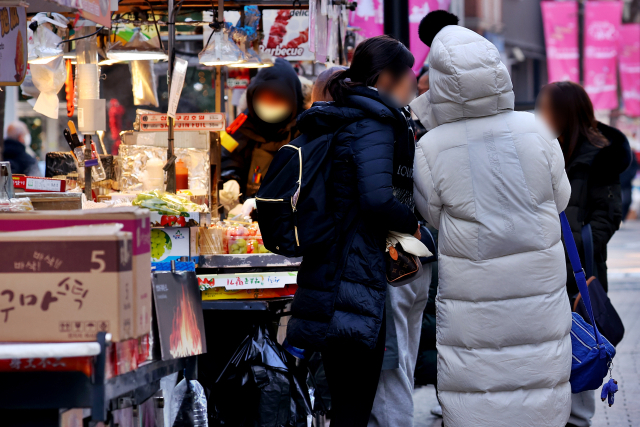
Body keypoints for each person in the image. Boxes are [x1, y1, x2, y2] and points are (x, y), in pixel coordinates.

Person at [411, 10, 573, 427]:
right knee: (539, 392)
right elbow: (561, 199)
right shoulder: (537, 129)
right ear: (498, 73)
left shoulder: (431, 147)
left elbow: (430, 215)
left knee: (478, 396)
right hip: (538, 293)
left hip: (474, 301)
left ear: (442, 84)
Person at [286, 35, 421, 427]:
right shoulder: (374, 122)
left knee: (345, 398)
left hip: (331, 269)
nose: (413, 79)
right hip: (356, 272)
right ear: (385, 77)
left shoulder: (341, 115)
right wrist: (411, 223)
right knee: (354, 404)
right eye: (407, 72)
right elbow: (377, 200)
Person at [536, 81, 632, 427]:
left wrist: (572, 248)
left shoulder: (599, 153)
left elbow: (608, 216)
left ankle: (578, 419)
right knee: (546, 345)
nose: (538, 114)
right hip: (542, 267)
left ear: (563, 112)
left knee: (581, 344)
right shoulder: (541, 147)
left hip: (581, 270)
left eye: (544, 107)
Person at [222, 58, 303, 198]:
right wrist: (230, 178)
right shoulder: (241, 127)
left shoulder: (305, 131)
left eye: (277, 98)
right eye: (264, 98)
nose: (270, 104)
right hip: (243, 215)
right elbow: (227, 158)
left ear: (293, 99)